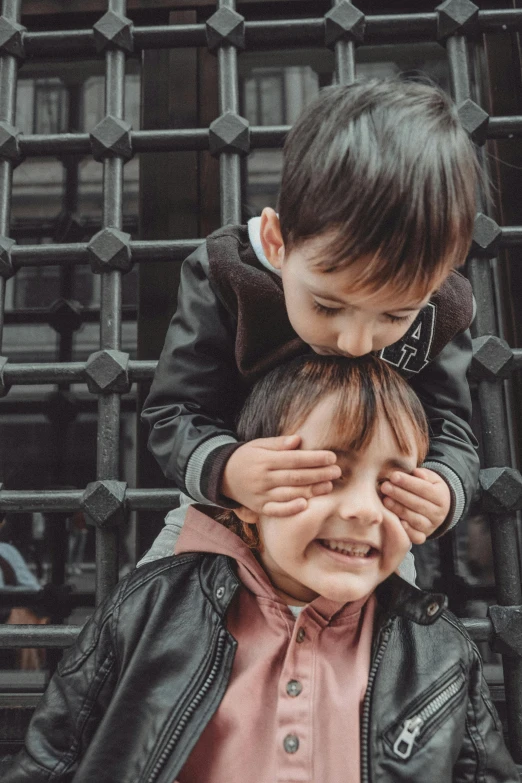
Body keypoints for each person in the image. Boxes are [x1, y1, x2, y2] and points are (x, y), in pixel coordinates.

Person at [0, 355, 516, 782]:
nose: (364, 510)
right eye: (328, 475)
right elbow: (51, 764)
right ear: (245, 496)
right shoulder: (147, 611)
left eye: (393, 486)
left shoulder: (438, 648)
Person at [140, 78, 480, 583]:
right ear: (277, 243)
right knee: (154, 623)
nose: (356, 343)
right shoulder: (230, 277)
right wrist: (228, 469)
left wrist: (443, 486)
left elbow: (453, 430)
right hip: (226, 519)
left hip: (362, 530)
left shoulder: (441, 311)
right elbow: (173, 411)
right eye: (327, 304)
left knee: (393, 644)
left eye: (393, 316)